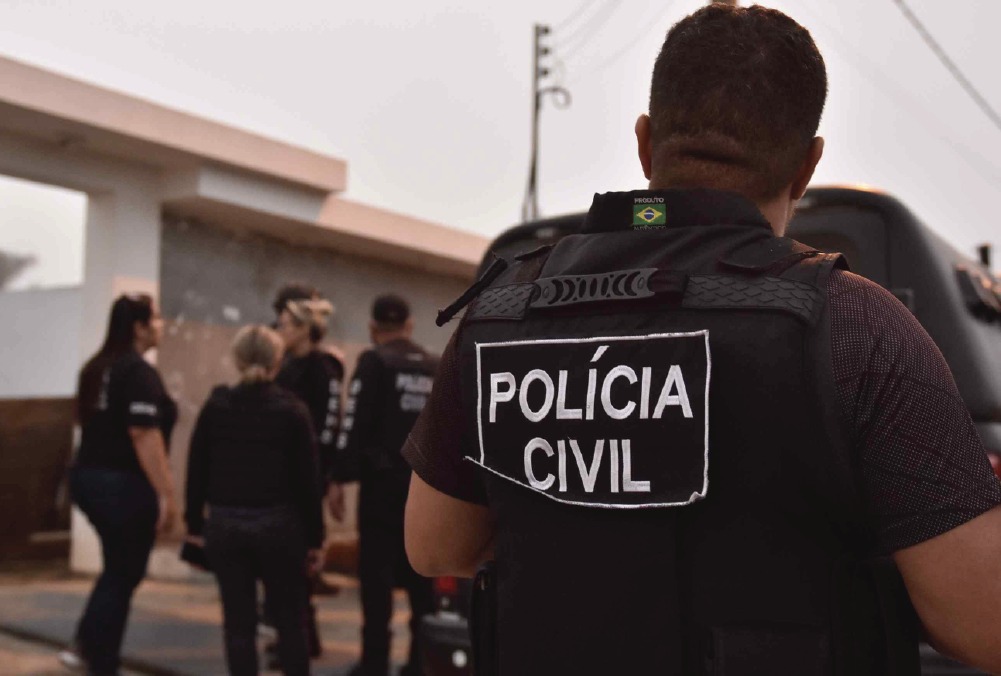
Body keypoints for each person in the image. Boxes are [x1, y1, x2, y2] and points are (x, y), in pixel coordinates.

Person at [402, 5, 1001, 676]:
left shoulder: (504, 310)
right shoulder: (857, 326)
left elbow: (433, 547)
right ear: (806, 165)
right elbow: (982, 624)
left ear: (644, 143)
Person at [184, 325, 324, 676]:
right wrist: (315, 538)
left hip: (226, 526)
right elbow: (308, 481)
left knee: (238, 625)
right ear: (278, 360)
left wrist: (194, 525)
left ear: (237, 359)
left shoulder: (216, 406)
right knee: (291, 622)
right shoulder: (293, 410)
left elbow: (196, 469)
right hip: (281, 528)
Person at [60, 294, 177, 676]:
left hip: (87, 478)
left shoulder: (95, 368)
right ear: (139, 328)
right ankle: (97, 658)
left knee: (118, 569)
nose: (161, 325)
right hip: (120, 485)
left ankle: (87, 648)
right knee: (124, 572)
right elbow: (143, 434)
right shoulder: (138, 372)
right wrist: (166, 493)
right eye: (155, 320)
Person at [333, 294, 437, 676]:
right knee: (422, 581)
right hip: (424, 490)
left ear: (372, 328)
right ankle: (420, 663)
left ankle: (374, 662)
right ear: (409, 326)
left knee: (376, 582)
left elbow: (354, 422)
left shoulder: (373, 361)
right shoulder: (434, 364)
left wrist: (339, 478)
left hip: (380, 489)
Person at [271, 283, 344, 660]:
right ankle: (293, 635)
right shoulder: (284, 366)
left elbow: (329, 427)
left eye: (284, 323)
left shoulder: (322, 368)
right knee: (282, 564)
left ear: (302, 328)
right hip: (279, 479)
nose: (277, 329)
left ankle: (301, 639)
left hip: (305, 478)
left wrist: (326, 478)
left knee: (299, 563)